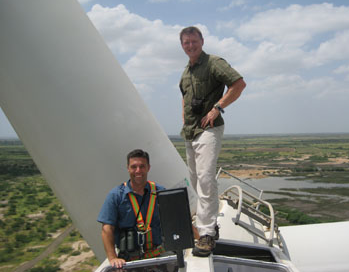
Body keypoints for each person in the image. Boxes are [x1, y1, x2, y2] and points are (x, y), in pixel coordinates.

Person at [179, 26, 246, 256]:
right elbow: (185, 101)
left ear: (202, 41)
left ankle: (206, 234)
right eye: (186, 42)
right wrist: (185, 124)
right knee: (197, 181)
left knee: (206, 179)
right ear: (182, 45)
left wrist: (218, 108)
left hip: (209, 129)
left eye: (193, 41)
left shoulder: (214, 63)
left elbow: (238, 84)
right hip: (190, 132)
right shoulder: (186, 72)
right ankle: (211, 226)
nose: (190, 45)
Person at [97, 149, 166, 269]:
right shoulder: (116, 196)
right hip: (129, 262)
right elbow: (107, 229)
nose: (138, 171)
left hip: (158, 257)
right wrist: (113, 258)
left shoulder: (160, 192)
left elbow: (177, 218)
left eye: (142, 166)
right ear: (128, 168)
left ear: (148, 168)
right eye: (134, 167)